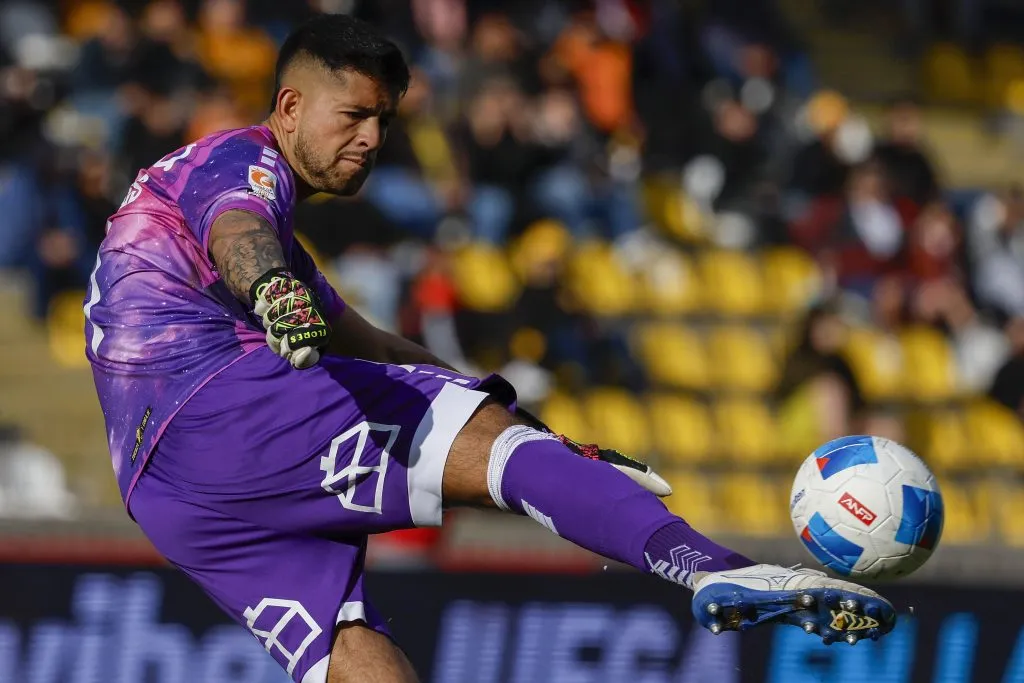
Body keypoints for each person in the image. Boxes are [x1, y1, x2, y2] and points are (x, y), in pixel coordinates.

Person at [84, 15, 896, 683]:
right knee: (487, 451)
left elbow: (359, 338)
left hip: (168, 492)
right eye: (354, 116)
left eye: (384, 121)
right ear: (289, 107)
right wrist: (268, 290)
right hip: (218, 405)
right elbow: (240, 232)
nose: (371, 138)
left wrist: (524, 425)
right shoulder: (241, 160)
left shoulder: (238, 219)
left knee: (354, 651)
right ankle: (712, 566)